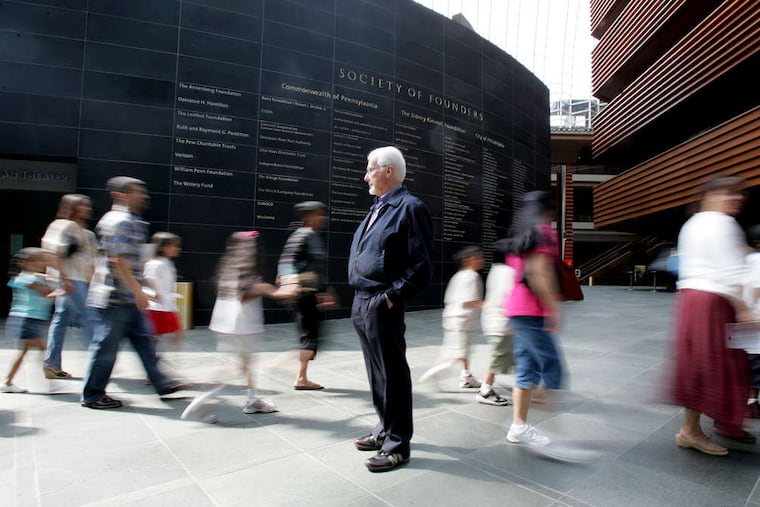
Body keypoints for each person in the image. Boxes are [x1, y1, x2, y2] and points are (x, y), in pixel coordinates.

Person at [349, 146, 434, 473]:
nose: (365, 175)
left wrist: (392, 296)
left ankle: (398, 444)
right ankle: (384, 428)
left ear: (388, 171)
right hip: (362, 301)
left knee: (393, 373)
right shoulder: (378, 208)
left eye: (370, 169)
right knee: (377, 373)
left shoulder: (410, 208)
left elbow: (421, 265)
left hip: (381, 301)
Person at [81, 177, 190, 409]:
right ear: (120, 195)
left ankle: (162, 383)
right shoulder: (118, 221)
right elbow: (116, 259)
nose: (144, 196)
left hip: (130, 298)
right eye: (137, 192)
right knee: (106, 350)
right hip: (113, 299)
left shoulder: (135, 221)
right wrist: (138, 291)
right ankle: (92, 395)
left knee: (145, 343)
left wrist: (140, 292)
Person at [670, 175, 754, 456]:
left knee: (700, 365)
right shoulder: (723, 223)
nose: (736, 199)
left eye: (738, 194)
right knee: (720, 366)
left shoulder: (692, 223)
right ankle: (694, 430)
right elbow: (732, 271)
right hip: (713, 302)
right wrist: (743, 308)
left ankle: (713, 425)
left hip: (692, 299)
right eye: (730, 194)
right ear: (712, 195)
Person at [181, 231, 287, 423]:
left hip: (234, 323)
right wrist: (267, 289)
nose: (252, 249)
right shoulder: (242, 264)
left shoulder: (230, 263)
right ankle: (202, 404)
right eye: (249, 246)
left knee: (247, 364)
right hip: (239, 324)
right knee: (229, 368)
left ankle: (252, 399)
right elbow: (243, 295)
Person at [504, 191, 564, 447]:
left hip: (516, 311)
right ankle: (558, 426)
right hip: (533, 311)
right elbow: (538, 272)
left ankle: (518, 426)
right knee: (553, 368)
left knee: (527, 369)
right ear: (548, 212)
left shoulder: (520, 237)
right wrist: (553, 308)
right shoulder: (544, 234)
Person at [277, 201, 336, 390]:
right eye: (319, 214)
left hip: (304, 293)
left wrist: (323, 290)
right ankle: (298, 375)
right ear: (308, 216)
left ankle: (300, 375)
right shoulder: (308, 235)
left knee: (310, 336)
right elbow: (293, 261)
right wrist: (323, 289)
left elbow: (289, 261)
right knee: (310, 337)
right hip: (305, 294)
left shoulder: (299, 235)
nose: (322, 218)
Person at [41, 194, 97, 379]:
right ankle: (100, 361)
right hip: (69, 280)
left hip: (81, 281)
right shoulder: (63, 226)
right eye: (82, 205)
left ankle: (51, 364)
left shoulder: (87, 234)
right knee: (89, 319)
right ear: (72, 207)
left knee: (61, 320)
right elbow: (50, 252)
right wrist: (62, 278)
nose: (87, 209)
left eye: (88, 205)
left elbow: (92, 262)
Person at [419, 245, 485, 389]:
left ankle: (466, 377)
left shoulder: (458, 276)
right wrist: (488, 305)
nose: (481, 260)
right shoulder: (472, 276)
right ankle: (434, 373)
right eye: (478, 257)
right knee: (457, 353)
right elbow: (470, 300)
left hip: (453, 319)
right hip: (462, 321)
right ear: (469, 260)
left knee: (464, 350)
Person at [2, 248, 57, 393]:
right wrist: (62, 292)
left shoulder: (28, 276)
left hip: (31, 319)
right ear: (26, 263)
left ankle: (8, 381)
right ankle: (45, 382)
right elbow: (47, 294)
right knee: (39, 350)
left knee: (28, 351)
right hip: (27, 319)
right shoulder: (28, 279)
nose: (42, 263)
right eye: (38, 260)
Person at [476, 243, 516, 406]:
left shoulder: (495, 270)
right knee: (499, 357)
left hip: (493, 320)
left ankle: (528, 386)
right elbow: (511, 296)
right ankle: (485, 391)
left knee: (510, 356)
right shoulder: (509, 272)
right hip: (501, 323)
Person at [143, 232, 184, 353]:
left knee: (174, 333)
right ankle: (155, 358)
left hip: (166, 305)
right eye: (173, 246)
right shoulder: (156, 264)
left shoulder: (167, 263)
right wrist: (154, 293)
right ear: (162, 247)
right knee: (157, 336)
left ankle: (157, 357)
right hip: (157, 307)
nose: (177, 249)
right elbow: (148, 279)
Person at [745, 224, 760, 419]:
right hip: (756, 317)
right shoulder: (758, 260)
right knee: (756, 366)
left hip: (746, 318)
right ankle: (751, 403)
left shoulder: (748, 259)